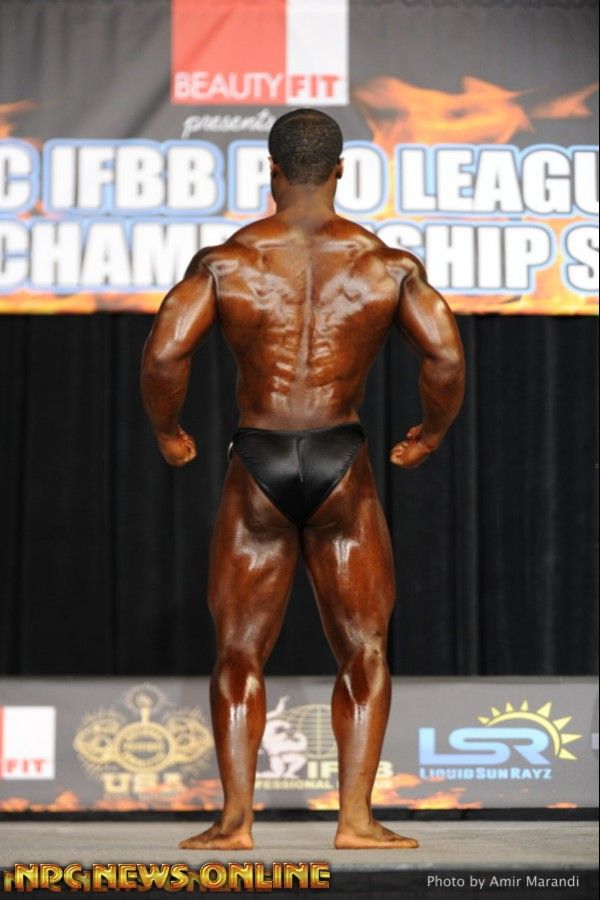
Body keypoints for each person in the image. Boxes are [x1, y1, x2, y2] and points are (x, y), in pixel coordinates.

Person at [141, 109, 465, 850]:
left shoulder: (228, 261)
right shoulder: (386, 265)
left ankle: (235, 823)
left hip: (257, 458)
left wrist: (167, 430)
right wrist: (430, 433)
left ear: (272, 169)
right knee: (365, 649)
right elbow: (445, 356)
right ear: (341, 170)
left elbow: (164, 353)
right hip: (340, 459)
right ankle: (355, 821)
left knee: (238, 650)